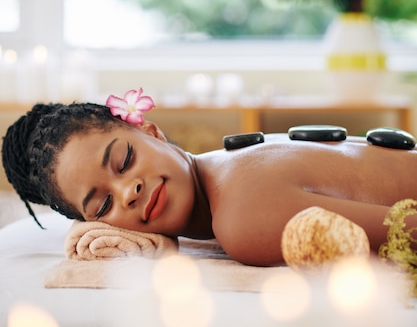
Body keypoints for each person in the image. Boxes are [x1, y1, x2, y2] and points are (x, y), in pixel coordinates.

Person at [2, 90, 417, 267]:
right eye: (103, 205)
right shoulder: (225, 163)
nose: (129, 191)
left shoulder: (242, 219)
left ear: (151, 131)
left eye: (125, 159)